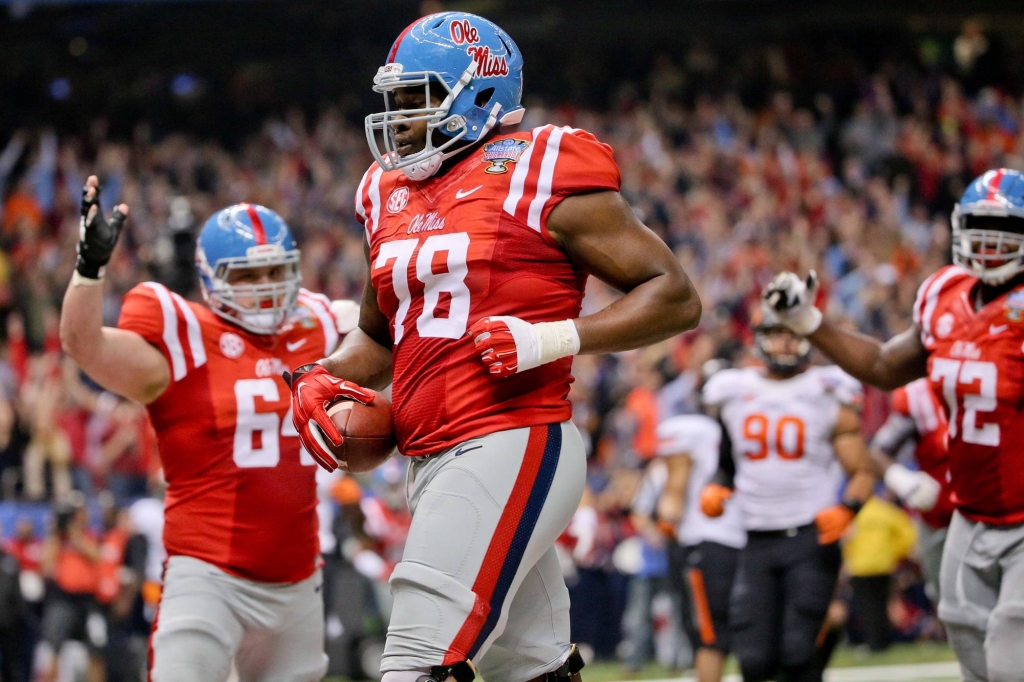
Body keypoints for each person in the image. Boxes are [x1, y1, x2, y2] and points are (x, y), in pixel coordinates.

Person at [287, 12, 701, 682]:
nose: (397, 116)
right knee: (529, 669)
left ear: (478, 93)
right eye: (393, 99)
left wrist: (555, 337)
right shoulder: (385, 190)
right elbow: (380, 333)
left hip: (511, 437)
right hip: (431, 454)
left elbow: (675, 295)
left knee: (416, 663)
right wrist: (320, 372)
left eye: (413, 98)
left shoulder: (537, 167)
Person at [59, 178, 357, 682]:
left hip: (299, 577)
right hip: (208, 576)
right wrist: (89, 272)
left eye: (275, 270)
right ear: (211, 279)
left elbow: (394, 340)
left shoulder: (319, 325)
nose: (265, 285)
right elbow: (85, 345)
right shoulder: (185, 337)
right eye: (248, 274)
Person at [763, 168, 1024, 682]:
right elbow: (884, 366)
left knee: (1010, 651)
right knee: (967, 639)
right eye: (977, 224)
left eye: (1007, 230)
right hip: (969, 514)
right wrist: (809, 325)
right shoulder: (943, 293)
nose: (990, 242)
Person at [699, 307, 874, 682]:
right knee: (755, 661)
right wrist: (717, 486)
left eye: (794, 333)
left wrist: (848, 508)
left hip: (811, 537)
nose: (788, 342)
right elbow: (728, 462)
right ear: (760, 338)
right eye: (779, 333)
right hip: (756, 538)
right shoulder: (734, 391)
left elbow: (861, 470)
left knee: (798, 653)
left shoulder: (827, 391)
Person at [654, 390, 746, 682]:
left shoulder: (688, 429)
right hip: (746, 538)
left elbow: (675, 492)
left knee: (708, 637)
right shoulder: (740, 424)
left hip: (705, 539)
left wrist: (668, 521)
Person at [870, 378, 953, 601]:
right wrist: (900, 479)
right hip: (940, 517)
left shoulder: (1007, 375)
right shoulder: (919, 396)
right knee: (949, 603)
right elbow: (878, 452)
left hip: (1000, 515)